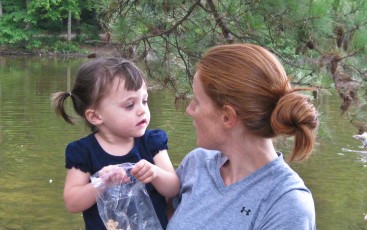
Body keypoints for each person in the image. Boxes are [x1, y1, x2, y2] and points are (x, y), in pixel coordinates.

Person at [167, 43, 318, 229]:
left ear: (227, 117)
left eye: (197, 101)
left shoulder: (286, 205)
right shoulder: (196, 164)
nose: (190, 110)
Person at [51, 57, 179, 230]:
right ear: (95, 116)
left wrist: (155, 173)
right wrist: (101, 183)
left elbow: (173, 188)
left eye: (144, 101)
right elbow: (72, 203)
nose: (142, 110)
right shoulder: (83, 151)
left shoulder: (151, 143)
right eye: (129, 105)